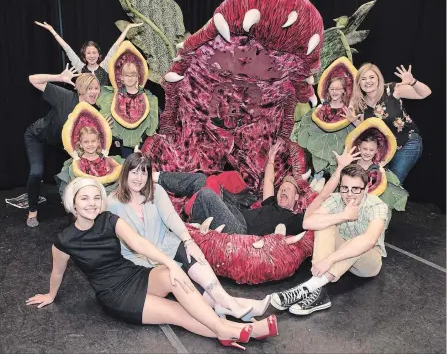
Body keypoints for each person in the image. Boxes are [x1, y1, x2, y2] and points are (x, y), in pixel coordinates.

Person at [25, 177, 278, 349]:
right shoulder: (64, 240)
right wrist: (50, 294)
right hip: (115, 294)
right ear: (73, 204)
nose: (91, 203)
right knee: (177, 313)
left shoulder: (109, 220)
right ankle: (231, 329)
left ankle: (225, 327)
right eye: (84, 199)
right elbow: (57, 272)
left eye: (95, 198)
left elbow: (139, 245)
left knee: (174, 274)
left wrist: (169, 262)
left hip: (133, 275)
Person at [107, 153, 271, 321]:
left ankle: (226, 301)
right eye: (134, 172)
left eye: (144, 173)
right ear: (125, 172)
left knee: (191, 252)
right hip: (139, 259)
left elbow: (171, 217)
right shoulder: (111, 203)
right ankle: (233, 304)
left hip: (165, 244)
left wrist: (189, 241)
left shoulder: (156, 191)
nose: (139, 178)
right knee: (183, 281)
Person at [270, 158, 388, 316]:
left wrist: (329, 260)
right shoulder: (336, 199)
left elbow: (369, 240)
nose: (349, 194)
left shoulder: (377, 205)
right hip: (340, 254)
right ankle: (319, 293)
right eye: (345, 188)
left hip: (367, 262)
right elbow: (308, 223)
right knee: (324, 224)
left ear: (366, 189)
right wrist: (343, 216)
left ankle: (307, 288)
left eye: (356, 189)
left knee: (359, 241)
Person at [153, 140, 306, 236]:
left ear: (297, 197)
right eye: (282, 189)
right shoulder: (271, 204)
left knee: (207, 194)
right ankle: (155, 177)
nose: (283, 190)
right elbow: (269, 180)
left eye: (288, 189)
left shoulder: (293, 220)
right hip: (234, 213)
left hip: (240, 231)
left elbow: (316, 215)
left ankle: (194, 227)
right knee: (201, 180)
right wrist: (271, 157)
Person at [25, 66, 100, 227]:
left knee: (74, 172)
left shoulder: (93, 112)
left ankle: (75, 209)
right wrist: (59, 77)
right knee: (37, 172)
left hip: (62, 145)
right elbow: (32, 78)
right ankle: (32, 211)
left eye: (96, 88)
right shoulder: (64, 96)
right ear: (80, 90)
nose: (94, 92)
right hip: (38, 138)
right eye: (90, 88)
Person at [345, 63, 431, 183]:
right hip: (385, 149)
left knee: (393, 182)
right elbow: (369, 130)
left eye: (371, 77)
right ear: (359, 83)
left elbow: (425, 93)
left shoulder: (392, 89)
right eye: (363, 79)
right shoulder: (361, 104)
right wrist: (354, 121)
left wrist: (412, 81)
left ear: (378, 78)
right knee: (378, 182)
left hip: (407, 143)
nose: (367, 81)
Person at [34, 21, 143, 86]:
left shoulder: (104, 67)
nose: (91, 56)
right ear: (84, 56)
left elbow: (116, 45)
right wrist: (52, 31)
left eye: (94, 53)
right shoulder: (79, 68)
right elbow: (66, 48)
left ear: (98, 54)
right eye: (88, 53)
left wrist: (127, 28)